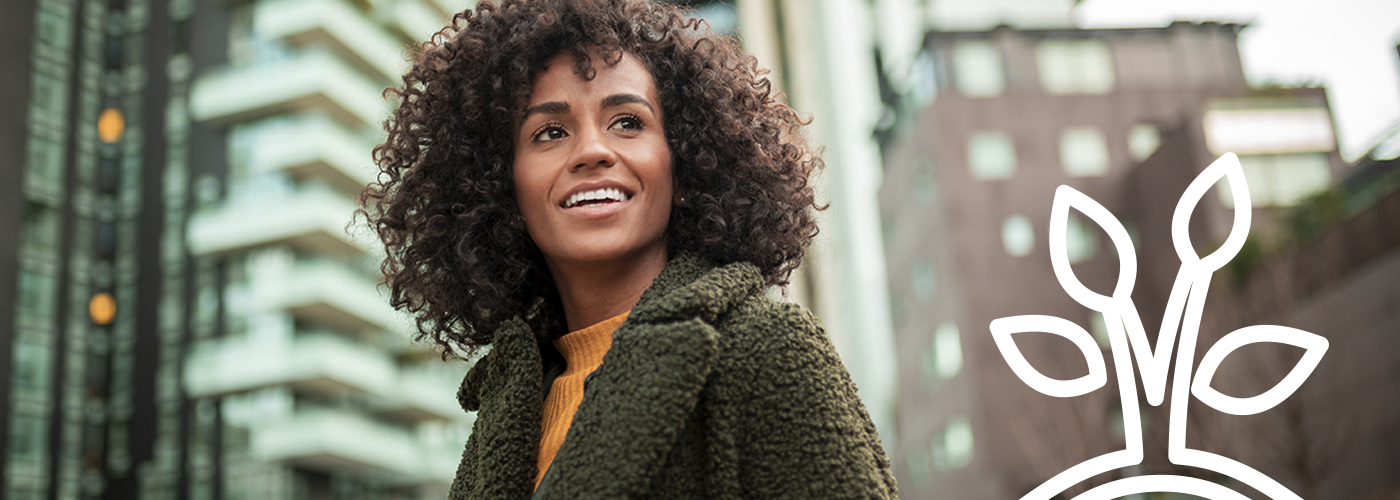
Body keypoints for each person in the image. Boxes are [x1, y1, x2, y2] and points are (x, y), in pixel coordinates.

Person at [361, 0, 898, 498]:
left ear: (685, 166)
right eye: (549, 132)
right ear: (503, 187)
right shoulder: (509, 409)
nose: (592, 150)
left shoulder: (767, 351)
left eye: (628, 122)